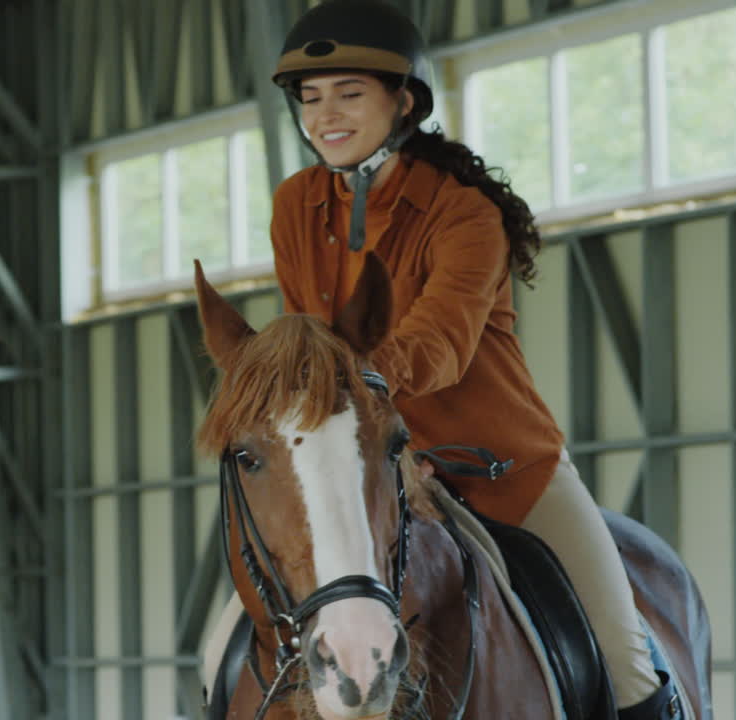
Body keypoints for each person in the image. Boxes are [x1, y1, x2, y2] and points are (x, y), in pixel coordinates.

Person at [204, 2, 682, 718]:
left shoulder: (465, 215)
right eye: (311, 99)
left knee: (625, 662)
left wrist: (343, 386)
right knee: (222, 655)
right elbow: (311, 337)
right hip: (370, 469)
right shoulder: (296, 204)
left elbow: (441, 345)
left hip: (504, 472)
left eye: (349, 94)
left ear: (403, 101)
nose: (325, 115)